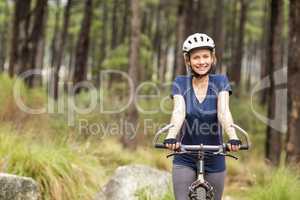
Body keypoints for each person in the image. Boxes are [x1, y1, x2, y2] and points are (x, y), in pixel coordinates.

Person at [164, 33, 241, 200]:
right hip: (184, 155)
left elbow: (223, 111)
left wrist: (233, 137)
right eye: (196, 57)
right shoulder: (180, 82)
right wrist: (170, 136)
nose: (201, 61)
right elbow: (178, 112)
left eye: (206, 56)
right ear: (188, 61)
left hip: (216, 156)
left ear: (213, 58)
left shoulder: (220, 81)